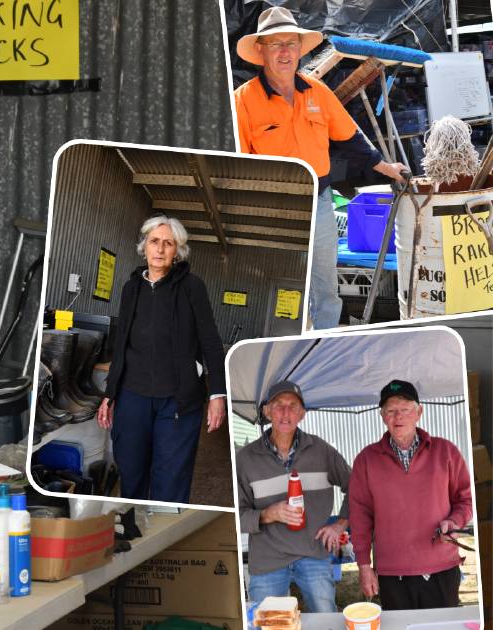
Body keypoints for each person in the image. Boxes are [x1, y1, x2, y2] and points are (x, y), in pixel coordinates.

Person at [233, 7, 406, 330]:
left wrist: (387, 167)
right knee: (278, 278)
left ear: (300, 49)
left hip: (320, 200)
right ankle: (278, 335)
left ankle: (323, 338)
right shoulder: (243, 101)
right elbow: (238, 163)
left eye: (291, 43)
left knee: (325, 280)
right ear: (261, 51)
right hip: (273, 207)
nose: (285, 52)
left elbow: (351, 136)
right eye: (275, 44)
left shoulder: (317, 92)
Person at [95, 215, 227, 504]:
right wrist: (110, 394)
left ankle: (165, 536)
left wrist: (217, 392)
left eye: (168, 243)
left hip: (177, 399)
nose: (160, 248)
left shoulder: (192, 287)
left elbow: (210, 341)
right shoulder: (132, 288)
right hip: (133, 396)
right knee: (131, 471)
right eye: (154, 241)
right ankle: (134, 531)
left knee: (171, 478)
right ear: (144, 246)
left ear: (177, 251)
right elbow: (122, 345)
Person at [349, 380, 473, 610]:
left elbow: (466, 499)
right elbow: (359, 516)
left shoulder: (445, 452)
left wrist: (454, 521)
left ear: (419, 412)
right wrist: (364, 566)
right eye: (391, 411)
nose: (398, 417)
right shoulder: (366, 460)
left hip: (441, 568)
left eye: (405, 409)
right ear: (382, 416)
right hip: (392, 574)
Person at [235, 380, 352, 613]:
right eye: (279, 405)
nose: (286, 413)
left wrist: (340, 524)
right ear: (267, 411)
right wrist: (268, 514)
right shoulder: (245, 459)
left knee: (325, 621)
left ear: (302, 414)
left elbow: (358, 488)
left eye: (293, 406)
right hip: (268, 559)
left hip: (313, 553)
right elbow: (235, 515)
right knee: (269, 624)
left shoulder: (321, 450)